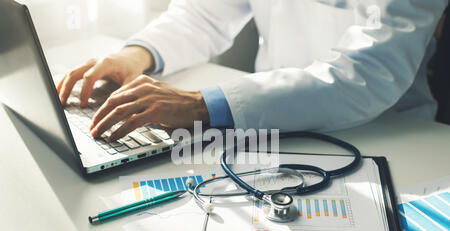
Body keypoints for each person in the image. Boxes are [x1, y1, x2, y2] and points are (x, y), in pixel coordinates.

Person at [57, 0, 448, 142]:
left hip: (388, 136)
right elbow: (204, 13)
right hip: (267, 125)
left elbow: (368, 73)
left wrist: (200, 105)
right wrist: (136, 54)